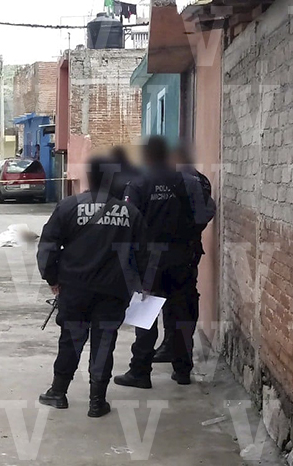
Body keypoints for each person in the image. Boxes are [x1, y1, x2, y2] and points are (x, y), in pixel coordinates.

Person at [37, 156, 149, 418]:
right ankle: (97, 401)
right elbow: (144, 253)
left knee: (71, 340)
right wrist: (144, 285)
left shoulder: (68, 206)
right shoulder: (130, 213)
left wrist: (52, 278)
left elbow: (48, 246)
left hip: (75, 288)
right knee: (104, 342)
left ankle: (58, 392)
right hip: (114, 291)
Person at [114, 136, 216, 388]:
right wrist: (187, 234)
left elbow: (127, 221)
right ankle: (182, 371)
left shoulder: (138, 183)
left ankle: (140, 372)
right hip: (183, 256)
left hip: (149, 259)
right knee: (181, 313)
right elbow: (206, 212)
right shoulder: (190, 181)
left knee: (145, 315)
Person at [152, 144, 215, 363]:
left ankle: (169, 347)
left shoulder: (174, 180)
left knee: (164, 300)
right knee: (182, 300)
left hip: (166, 251)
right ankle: (177, 350)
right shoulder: (199, 180)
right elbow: (207, 211)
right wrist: (191, 232)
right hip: (187, 250)